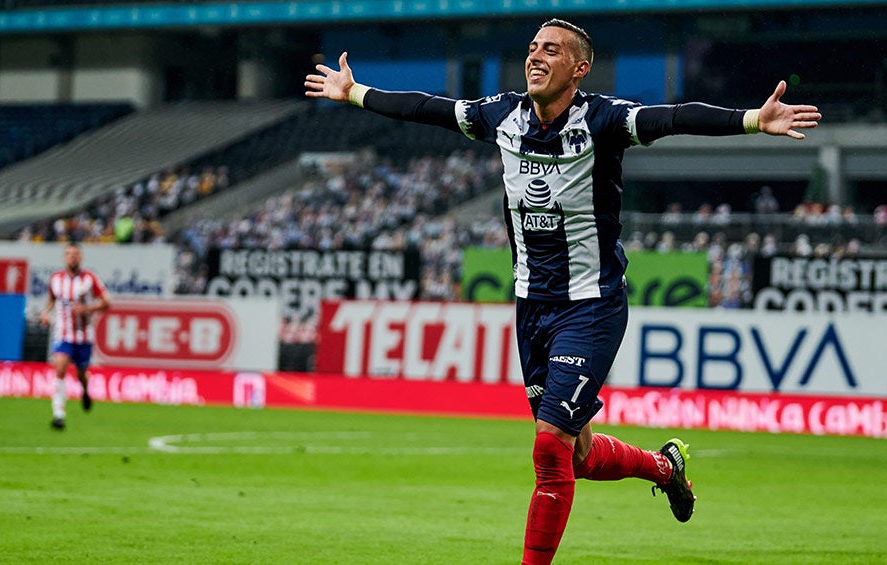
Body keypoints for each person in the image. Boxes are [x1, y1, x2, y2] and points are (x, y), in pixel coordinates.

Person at [305, 18, 820, 564]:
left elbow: (673, 117)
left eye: (551, 50)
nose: (535, 56)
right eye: (532, 48)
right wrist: (355, 92)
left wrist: (751, 119)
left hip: (591, 305)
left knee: (550, 446)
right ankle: (665, 467)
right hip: (531, 306)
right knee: (578, 456)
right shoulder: (501, 115)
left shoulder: (605, 120)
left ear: (579, 68)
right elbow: (426, 108)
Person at [39, 242, 111, 430]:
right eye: (69, 254)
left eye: (76, 254)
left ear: (81, 257)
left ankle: (85, 391)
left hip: (83, 336)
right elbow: (52, 299)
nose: (72, 257)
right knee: (60, 368)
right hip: (63, 334)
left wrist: (87, 309)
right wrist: (45, 313)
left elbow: (107, 302)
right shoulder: (56, 279)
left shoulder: (89, 279)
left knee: (81, 373)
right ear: (64, 257)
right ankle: (59, 414)